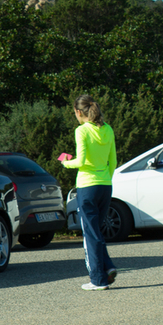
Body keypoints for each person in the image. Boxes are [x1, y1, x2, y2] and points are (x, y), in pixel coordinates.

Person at [61, 94, 118, 290]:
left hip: (87, 186)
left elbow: (81, 161)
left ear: (78, 112)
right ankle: (107, 267)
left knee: (90, 234)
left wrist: (65, 163)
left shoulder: (81, 131)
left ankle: (97, 280)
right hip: (105, 185)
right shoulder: (108, 129)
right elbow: (114, 161)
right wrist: (105, 179)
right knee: (96, 232)